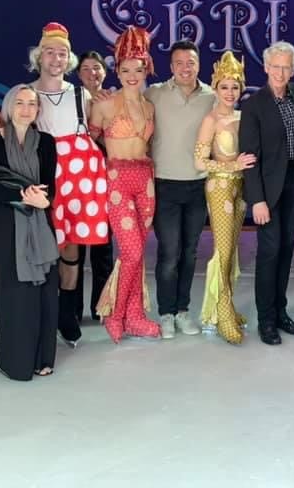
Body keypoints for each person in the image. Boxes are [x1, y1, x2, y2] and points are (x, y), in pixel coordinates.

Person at [28, 22, 109, 347]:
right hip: (45, 175)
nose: (56, 58)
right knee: (45, 247)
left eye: (62, 53)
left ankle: (65, 313)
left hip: (78, 178)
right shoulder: (28, 93)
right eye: (50, 52)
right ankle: (40, 311)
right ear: (39, 56)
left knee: (72, 247)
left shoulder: (81, 94)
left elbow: (97, 131)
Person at [0, 84, 59, 380]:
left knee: (44, 292)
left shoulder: (46, 142)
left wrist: (43, 199)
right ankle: (15, 361)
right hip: (5, 223)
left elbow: (51, 185)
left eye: (32, 104)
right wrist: (22, 194)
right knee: (14, 292)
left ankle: (42, 358)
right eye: (20, 103)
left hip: (40, 222)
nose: (26, 109)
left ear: (38, 109)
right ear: (9, 107)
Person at [90, 27, 160, 341]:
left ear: (147, 68)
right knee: (130, 251)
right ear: (116, 70)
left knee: (139, 252)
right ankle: (115, 313)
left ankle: (136, 315)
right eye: (126, 69)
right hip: (116, 180)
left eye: (139, 68)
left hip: (144, 181)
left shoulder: (150, 107)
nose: (133, 75)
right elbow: (88, 146)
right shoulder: (104, 104)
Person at [239, 41, 294, 345]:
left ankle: (281, 312)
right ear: (266, 67)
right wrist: (256, 199)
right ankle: (266, 320)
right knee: (269, 252)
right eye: (275, 66)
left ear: (293, 70)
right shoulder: (254, 105)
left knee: (287, 248)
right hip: (268, 187)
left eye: (286, 67)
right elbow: (249, 156)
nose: (281, 72)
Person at [145, 41, 215, 339]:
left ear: (198, 65)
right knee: (169, 251)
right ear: (171, 66)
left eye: (191, 62)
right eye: (179, 63)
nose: (186, 68)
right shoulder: (155, 94)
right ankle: (165, 313)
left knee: (189, 251)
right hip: (165, 183)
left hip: (198, 184)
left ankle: (183, 310)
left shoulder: (212, 96)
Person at [194, 52, 257, 344]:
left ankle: (226, 305)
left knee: (233, 251)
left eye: (235, 87)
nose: (230, 92)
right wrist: (232, 166)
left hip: (239, 189)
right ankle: (220, 312)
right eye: (224, 87)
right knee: (223, 251)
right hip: (219, 187)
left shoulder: (244, 117)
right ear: (215, 87)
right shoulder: (211, 119)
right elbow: (199, 162)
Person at [73, 50, 115, 322]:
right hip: (76, 182)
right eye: (86, 69)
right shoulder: (70, 98)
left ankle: (101, 306)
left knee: (102, 249)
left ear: (104, 71)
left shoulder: (114, 100)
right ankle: (71, 309)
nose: (92, 73)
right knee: (73, 251)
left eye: (96, 68)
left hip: (105, 181)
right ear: (78, 74)